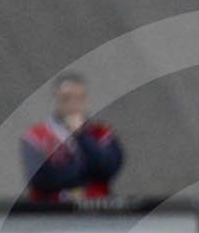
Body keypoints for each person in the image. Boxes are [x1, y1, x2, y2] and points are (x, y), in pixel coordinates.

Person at [19, 72, 124, 203]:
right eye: (67, 98)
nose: (73, 103)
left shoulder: (101, 133)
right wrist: (86, 171)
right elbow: (41, 179)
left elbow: (108, 169)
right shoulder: (36, 136)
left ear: (85, 99)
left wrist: (81, 136)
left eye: (79, 98)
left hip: (95, 210)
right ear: (56, 99)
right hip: (51, 212)